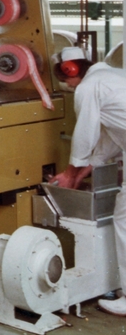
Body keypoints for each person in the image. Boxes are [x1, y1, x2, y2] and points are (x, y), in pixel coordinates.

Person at [52, 46, 126, 315]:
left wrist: (70, 172)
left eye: (66, 81)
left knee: (124, 221)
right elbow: (113, 136)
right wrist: (85, 169)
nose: (69, 87)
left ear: (70, 70)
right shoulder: (115, 76)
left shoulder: (88, 87)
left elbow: (85, 134)